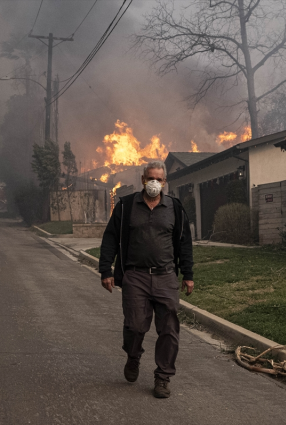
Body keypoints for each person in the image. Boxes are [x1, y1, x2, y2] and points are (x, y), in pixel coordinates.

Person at [99, 161, 194, 398]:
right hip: (135, 276)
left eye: (159, 179)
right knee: (135, 325)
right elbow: (111, 237)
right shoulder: (127, 205)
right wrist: (106, 270)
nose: (154, 183)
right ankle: (133, 357)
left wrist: (188, 274)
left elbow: (184, 243)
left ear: (164, 182)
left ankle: (163, 377)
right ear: (143, 179)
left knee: (169, 330)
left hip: (166, 277)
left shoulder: (175, 207)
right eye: (150, 178)